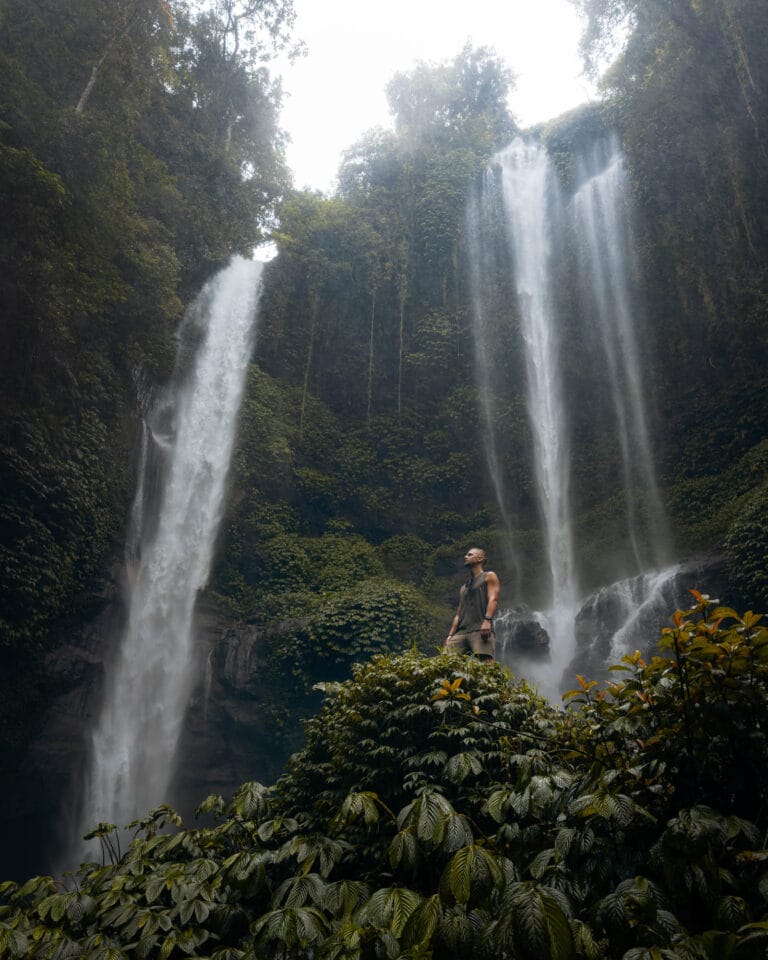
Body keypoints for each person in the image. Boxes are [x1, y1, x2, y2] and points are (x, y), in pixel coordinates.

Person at [444, 547, 500, 662]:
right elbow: (458, 614)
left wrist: (487, 620)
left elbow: (493, 599)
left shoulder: (489, 576)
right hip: (461, 632)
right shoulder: (463, 588)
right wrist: (450, 635)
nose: (465, 557)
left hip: (480, 630)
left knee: (485, 663)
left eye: (469, 555)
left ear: (480, 558)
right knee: (446, 661)